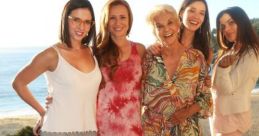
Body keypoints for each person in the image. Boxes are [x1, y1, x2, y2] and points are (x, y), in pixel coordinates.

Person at [12, 0, 101, 135]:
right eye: (76, 20)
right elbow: (18, 83)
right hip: (57, 130)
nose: (81, 26)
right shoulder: (52, 55)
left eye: (87, 22)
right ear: (65, 20)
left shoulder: (93, 52)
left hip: (89, 131)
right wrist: (42, 113)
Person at [141, 4, 212, 136]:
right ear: (154, 31)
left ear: (178, 24)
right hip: (152, 130)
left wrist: (186, 113)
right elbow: (137, 95)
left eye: (170, 23)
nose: (166, 29)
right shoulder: (148, 58)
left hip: (187, 131)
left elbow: (206, 97)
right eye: (159, 26)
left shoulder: (196, 58)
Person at [94, 0, 145, 135]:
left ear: (129, 20)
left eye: (122, 17)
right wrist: (53, 100)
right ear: (105, 21)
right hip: (103, 128)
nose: (118, 23)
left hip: (133, 128)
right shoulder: (96, 52)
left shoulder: (140, 50)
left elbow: (150, 87)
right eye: (112, 18)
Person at [211, 6, 259, 136]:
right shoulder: (230, 50)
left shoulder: (252, 53)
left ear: (242, 23)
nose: (226, 29)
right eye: (222, 26)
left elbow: (228, 89)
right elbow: (215, 85)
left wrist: (222, 68)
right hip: (220, 115)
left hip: (233, 118)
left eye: (231, 22)